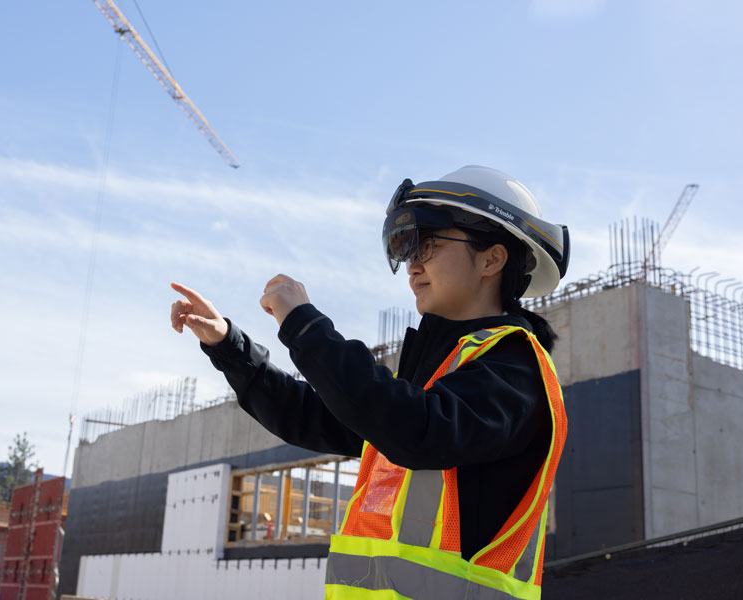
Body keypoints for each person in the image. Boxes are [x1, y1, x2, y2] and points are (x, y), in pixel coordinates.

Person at [170, 165, 570, 599]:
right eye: (405, 249)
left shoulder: (515, 370)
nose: (412, 265)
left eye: (427, 244)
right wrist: (229, 346)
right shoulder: (440, 377)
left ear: (492, 258)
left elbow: (415, 429)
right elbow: (313, 415)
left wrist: (305, 327)